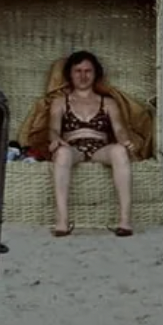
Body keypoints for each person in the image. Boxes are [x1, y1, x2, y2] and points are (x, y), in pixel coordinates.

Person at [41, 51, 137, 236]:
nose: (83, 76)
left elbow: (118, 129)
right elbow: (53, 128)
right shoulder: (60, 102)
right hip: (72, 146)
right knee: (62, 153)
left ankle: (125, 221)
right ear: (70, 73)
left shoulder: (108, 102)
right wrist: (55, 140)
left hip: (100, 147)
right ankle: (62, 221)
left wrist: (125, 141)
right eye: (78, 71)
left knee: (119, 151)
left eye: (88, 71)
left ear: (96, 74)